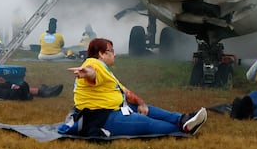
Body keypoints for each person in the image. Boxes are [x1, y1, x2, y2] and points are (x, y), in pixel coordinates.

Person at [68, 38, 207, 137]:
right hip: (101, 118)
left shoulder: (106, 71)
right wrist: (87, 73)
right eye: (111, 50)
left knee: (147, 109)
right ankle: (184, 128)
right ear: (101, 54)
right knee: (147, 123)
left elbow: (125, 91)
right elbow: (92, 72)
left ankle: (182, 119)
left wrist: (141, 103)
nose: (114, 54)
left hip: (114, 109)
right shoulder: (94, 64)